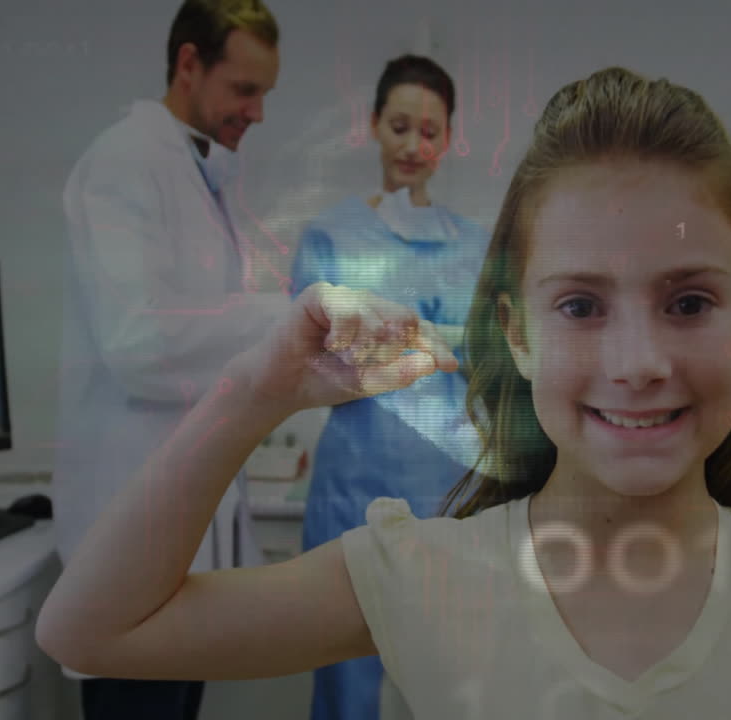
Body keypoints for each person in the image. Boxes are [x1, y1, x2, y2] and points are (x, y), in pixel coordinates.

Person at [38, 67, 731, 718]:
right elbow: (93, 634)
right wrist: (248, 393)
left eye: (688, 302)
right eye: (580, 306)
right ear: (511, 329)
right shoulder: (419, 574)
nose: (637, 359)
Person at [53, 1, 282, 718]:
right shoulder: (124, 163)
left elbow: (207, 330)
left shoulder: (199, 172)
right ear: (189, 64)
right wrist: (284, 317)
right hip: (130, 530)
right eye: (246, 90)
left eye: (264, 94)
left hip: (178, 533)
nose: (258, 112)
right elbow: (139, 343)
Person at [287, 53, 489, 720]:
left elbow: (501, 360)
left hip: (457, 494)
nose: (413, 146)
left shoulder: (480, 247)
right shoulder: (331, 237)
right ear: (373, 125)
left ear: (448, 139)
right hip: (356, 494)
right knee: (349, 689)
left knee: (461, 688)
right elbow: (308, 363)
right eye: (400, 126)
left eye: (429, 133)